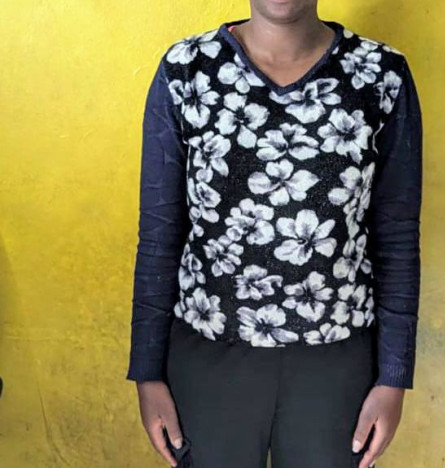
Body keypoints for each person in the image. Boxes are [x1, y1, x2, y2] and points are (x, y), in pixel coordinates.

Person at [126, 1, 423, 468]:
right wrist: (147, 371)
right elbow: (160, 232)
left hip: (337, 360)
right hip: (207, 356)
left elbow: (397, 235)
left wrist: (393, 376)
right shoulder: (187, 71)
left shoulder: (380, 75)